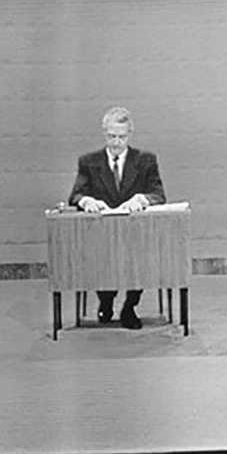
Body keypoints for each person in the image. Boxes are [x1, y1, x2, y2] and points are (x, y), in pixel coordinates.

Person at [68, 107, 166, 329]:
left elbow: (158, 194)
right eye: (112, 136)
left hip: (135, 232)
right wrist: (86, 201)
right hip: (101, 232)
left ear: (129, 135)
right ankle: (106, 300)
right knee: (102, 259)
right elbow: (75, 195)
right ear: (105, 134)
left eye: (122, 137)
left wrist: (142, 199)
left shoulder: (145, 160)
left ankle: (130, 307)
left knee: (139, 259)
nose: (116, 143)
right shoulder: (89, 161)